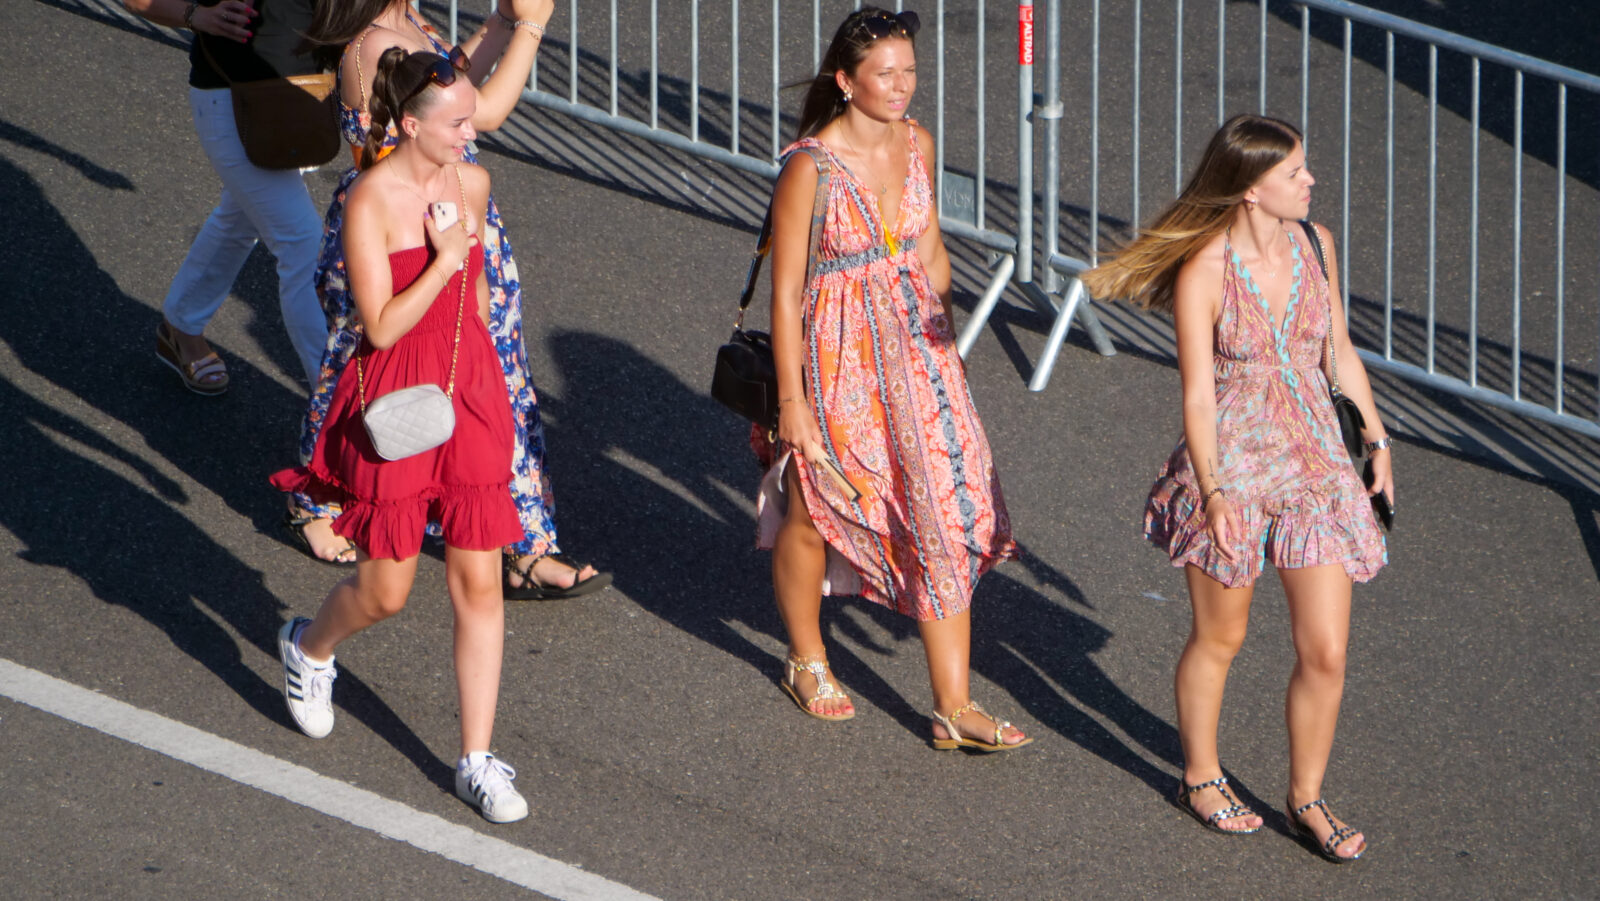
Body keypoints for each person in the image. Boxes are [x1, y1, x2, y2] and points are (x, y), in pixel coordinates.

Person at [1081, 114, 1391, 862]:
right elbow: (1195, 397)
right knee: (1222, 635)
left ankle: (1307, 797)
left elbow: (1338, 350)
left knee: (1326, 651)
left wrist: (1378, 441)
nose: (1311, 181)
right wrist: (1214, 493)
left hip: (1315, 466)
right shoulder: (1207, 271)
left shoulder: (1318, 246)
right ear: (1251, 191)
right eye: (1294, 173)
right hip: (1235, 470)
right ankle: (1200, 775)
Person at [269, 48, 530, 823]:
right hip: (397, 393)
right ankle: (310, 647)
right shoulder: (370, 200)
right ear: (409, 123)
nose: (469, 130)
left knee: (480, 582)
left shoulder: (473, 182)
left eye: (470, 116)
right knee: (386, 589)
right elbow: (379, 326)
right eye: (455, 121)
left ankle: (477, 760)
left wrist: (490, 379)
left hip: (466, 387)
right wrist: (447, 257)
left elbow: (477, 304)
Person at [755, 7, 1026, 752]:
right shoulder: (809, 166)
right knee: (820, 505)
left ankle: (954, 705)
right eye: (886, 72)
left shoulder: (917, 143)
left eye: (909, 70)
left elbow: (931, 247)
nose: (902, 85)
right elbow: (785, 294)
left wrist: (949, 347)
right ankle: (807, 656)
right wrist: (792, 403)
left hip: (918, 354)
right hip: (838, 354)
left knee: (941, 506)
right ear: (846, 81)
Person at [281, 0, 609, 598]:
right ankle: (316, 496)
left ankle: (523, 541)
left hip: (449, 218)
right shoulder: (374, 42)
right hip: (399, 235)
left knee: (493, 381)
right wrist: (533, 25)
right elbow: (481, 113)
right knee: (362, 377)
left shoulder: (406, 21)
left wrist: (502, 23)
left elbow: (448, 79)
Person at [123, 0, 331, 393]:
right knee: (303, 245)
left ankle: (181, 325)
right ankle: (336, 405)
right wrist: (193, 15)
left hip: (301, 100)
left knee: (241, 217)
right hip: (234, 100)